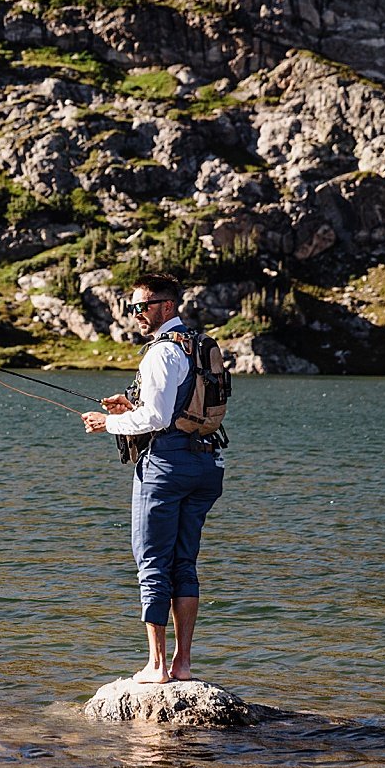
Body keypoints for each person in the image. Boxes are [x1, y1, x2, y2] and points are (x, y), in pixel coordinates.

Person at [79, 273, 223, 684]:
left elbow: (157, 418)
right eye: (133, 307)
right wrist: (131, 406)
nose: (136, 314)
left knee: (152, 564)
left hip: (166, 467)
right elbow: (180, 405)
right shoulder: (196, 345)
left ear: (167, 306)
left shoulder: (160, 352)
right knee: (184, 563)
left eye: (143, 306)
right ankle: (184, 664)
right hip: (206, 464)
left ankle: (157, 666)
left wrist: (110, 422)